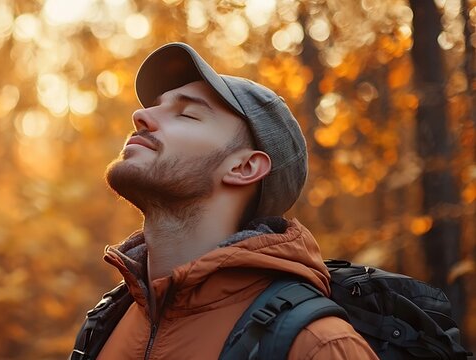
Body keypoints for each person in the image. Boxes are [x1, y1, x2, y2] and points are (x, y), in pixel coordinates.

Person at [70, 43, 379, 359]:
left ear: (244, 167)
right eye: (155, 105)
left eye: (187, 114)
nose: (140, 115)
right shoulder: (105, 326)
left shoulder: (318, 346)